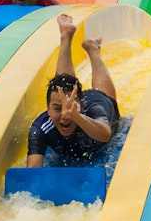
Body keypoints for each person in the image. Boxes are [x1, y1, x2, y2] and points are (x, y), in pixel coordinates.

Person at [27, 13, 119, 167]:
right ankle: (66, 36)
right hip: (73, 96)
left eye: (71, 107)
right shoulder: (41, 127)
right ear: (48, 110)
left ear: (81, 105)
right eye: (57, 108)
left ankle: (93, 50)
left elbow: (105, 134)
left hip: (98, 99)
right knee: (63, 88)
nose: (65, 114)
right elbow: (32, 173)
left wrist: (77, 116)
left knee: (106, 96)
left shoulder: (94, 110)